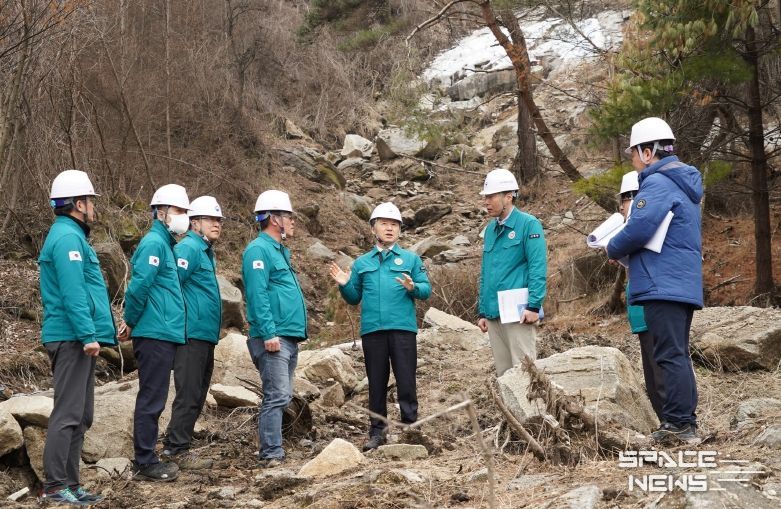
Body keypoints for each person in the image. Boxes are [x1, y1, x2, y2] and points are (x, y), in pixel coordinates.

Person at [607, 117, 703, 442]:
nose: (633, 161)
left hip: (662, 284)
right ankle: (685, 421)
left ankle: (678, 424)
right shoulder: (681, 183)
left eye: (634, 153)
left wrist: (611, 245)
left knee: (669, 354)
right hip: (679, 282)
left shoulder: (658, 183)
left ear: (648, 152)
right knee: (677, 352)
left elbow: (638, 228)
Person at [38, 170, 115, 505]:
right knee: (68, 413)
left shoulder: (73, 237)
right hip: (71, 336)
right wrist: (87, 334)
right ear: (77, 204)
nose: (94, 207)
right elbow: (73, 292)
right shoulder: (68, 239)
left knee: (81, 415)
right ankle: (55, 487)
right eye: (91, 201)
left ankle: (71, 483)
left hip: (78, 337)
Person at [329, 202, 431, 451]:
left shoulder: (410, 259)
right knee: (376, 383)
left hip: (403, 328)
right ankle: (377, 432)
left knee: (406, 380)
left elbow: (426, 290)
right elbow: (354, 298)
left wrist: (413, 287)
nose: (390, 228)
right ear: (374, 228)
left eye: (394, 224)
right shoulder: (362, 263)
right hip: (373, 330)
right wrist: (344, 284)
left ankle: (410, 427)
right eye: (384, 224)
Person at [118, 184, 190, 481]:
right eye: (179, 211)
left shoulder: (166, 245)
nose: (184, 216)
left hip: (164, 332)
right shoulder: (154, 244)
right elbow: (139, 286)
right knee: (152, 398)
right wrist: (131, 320)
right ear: (161, 213)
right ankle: (144, 461)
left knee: (156, 397)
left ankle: (147, 455)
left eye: (185, 211)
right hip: (154, 332)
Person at [242, 190, 307, 467]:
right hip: (273, 337)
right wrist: (268, 333)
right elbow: (257, 295)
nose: (292, 221)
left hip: (287, 336)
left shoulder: (279, 251)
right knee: (277, 395)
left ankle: (274, 448)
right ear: (273, 218)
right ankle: (270, 453)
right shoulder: (258, 250)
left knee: (284, 395)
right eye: (288, 216)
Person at [162, 196, 224, 470]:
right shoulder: (188, 248)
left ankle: (180, 443)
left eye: (219, 220)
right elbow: (173, 286)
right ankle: (175, 450)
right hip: (190, 333)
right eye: (211, 219)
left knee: (198, 393)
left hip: (205, 334)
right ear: (194, 222)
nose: (217, 224)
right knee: (188, 393)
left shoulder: (205, 251)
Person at [476, 168, 547, 376]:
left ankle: (533, 411)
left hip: (519, 313)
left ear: (508, 197)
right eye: (485, 197)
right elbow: (486, 271)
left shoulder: (529, 225)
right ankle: (511, 411)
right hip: (494, 313)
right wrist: (482, 311)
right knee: (505, 376)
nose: (486, 202)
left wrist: (534, 305)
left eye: (490, 197)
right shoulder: (490, 229)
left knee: (525, 373)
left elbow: (537, 267)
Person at [618, 171, 666, 421]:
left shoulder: (651, 227)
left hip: (654, 309)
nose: (625, 205)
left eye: (629, 198)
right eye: (624, 199)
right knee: (651, 373)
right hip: (639, 313)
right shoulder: (627, 230)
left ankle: (673, 421)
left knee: (662, 371)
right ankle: (664, 422)